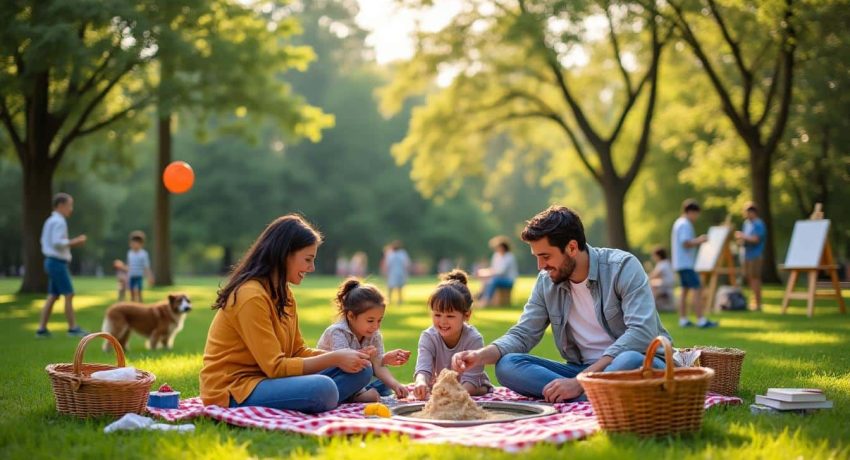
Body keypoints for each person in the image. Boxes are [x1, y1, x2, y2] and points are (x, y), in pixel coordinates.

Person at [451, 205, 672, 403]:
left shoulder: (622, 267)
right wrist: (479, 356)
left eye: (546, 256)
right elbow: (523, 333)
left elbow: (642, 333)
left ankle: (583, 394)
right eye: (537, 257)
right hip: (579, 370)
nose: (540, 266)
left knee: (629, 359)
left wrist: (582, 380)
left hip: (632, 364)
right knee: (508, 365)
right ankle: (592, 396)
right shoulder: (546, 282)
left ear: (572, 248)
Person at [199, 214, 373, 413]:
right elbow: (275, 367)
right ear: (285, 254)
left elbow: (297, 351)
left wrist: (347, 356)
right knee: (323, 389)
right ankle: (323, 398)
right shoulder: (251, 297)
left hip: (268, 380)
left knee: (362, 369)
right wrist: (335, 358)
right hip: (235, 389)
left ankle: (317, 400)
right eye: (307, 259)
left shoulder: (284, 294)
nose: (311, 268)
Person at [317, 279, 410, 402]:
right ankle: (355, 397)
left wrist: (396, 385)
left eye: (379, 320)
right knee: (366, 371)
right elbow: (345, 365)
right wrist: (364, 355)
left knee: (384, 383)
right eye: (370, 321)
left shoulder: (374, 335)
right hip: (333, 379)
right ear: (351, 316)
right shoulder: (337, 332)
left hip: (358, 376)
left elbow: (378, 365)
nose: (375, 326)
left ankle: (358, 395)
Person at [413, 270, 492, 400]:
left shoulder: (473, 339)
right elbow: (423, 368)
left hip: (471, 385)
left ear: (466, 315)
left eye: (450, 316)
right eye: (437, 315)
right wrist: (421, 382)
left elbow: (471, 379)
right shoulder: (428, 337)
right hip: (444, 385)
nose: (443, 321)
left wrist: (454, 394)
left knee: (476, 390)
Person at [36, 193, 88, 338]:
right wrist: (76, 241)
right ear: (60, 205)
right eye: (69, 205)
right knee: (69, 294)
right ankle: (72, 328)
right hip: (57, 263)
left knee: (53, 296)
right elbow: (57, 242)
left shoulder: (50, 221)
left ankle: (41, 329)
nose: (71, 209)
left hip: (52, 261)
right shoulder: (59, 221)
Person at [671, 199, 717, 328]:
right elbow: (686, 243)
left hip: (680, 263)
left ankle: (683, 319)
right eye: (696, 214)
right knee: (697, 288)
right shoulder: (685, 224)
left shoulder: (679, 222)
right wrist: (700, 240)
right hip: (686, 263)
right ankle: (701, 319)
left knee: (684, 291)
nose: (696, 217)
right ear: (690, 212)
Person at [734, 202, 766, 311]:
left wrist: (743, 236)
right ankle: (753, 302)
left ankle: (758, 303)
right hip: (746, 255)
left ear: (753, 212)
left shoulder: (758, 224)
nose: (746, 215)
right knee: (749, 279)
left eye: (747, 213)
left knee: (755, 279)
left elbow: (756, 239)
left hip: (755, 255)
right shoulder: (746, 223)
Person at [477, 236, 519, 307]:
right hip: (497, 278)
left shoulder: (509, 257)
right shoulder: (496, 255)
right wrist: (484, 272)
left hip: (508, 281)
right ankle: (480, 297)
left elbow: (501, 272)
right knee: (486, 281)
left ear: (503, 247)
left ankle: (485, 300)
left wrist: (489, 273)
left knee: (493, 280)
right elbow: (493, 268)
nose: (496, 249)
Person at [126, 230, 154, 302]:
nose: (133, 245)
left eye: (135, 243)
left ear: (141, 244)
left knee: (139, 291)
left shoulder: (143, 254)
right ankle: (132, 305)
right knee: (131, 291)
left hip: (139, 275)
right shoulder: (130, 253)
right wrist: (127, 276)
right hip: (132, 275)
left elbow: (146, 266)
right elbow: (129, 265)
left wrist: (149, 276)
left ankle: (140, 305)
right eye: (132, 243)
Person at [648, 246, 676, 312]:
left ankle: (651, 305)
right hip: (667, 283)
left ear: (658, 256)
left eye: (654, 256)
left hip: (665, 284)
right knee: (652, 283)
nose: (653, 258)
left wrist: (645, 277)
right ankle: (655, 304)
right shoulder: (666, 262)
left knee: (650, 285)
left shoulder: (662, 264)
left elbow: (654, 275)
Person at [384, 240, 411, 305]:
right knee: (392, 287)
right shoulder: (392, 253)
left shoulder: (401, 253)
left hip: (398, 273)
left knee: (398, 287)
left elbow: (406, 264)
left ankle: (398, 300)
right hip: (394, 273)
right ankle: (389, 300)